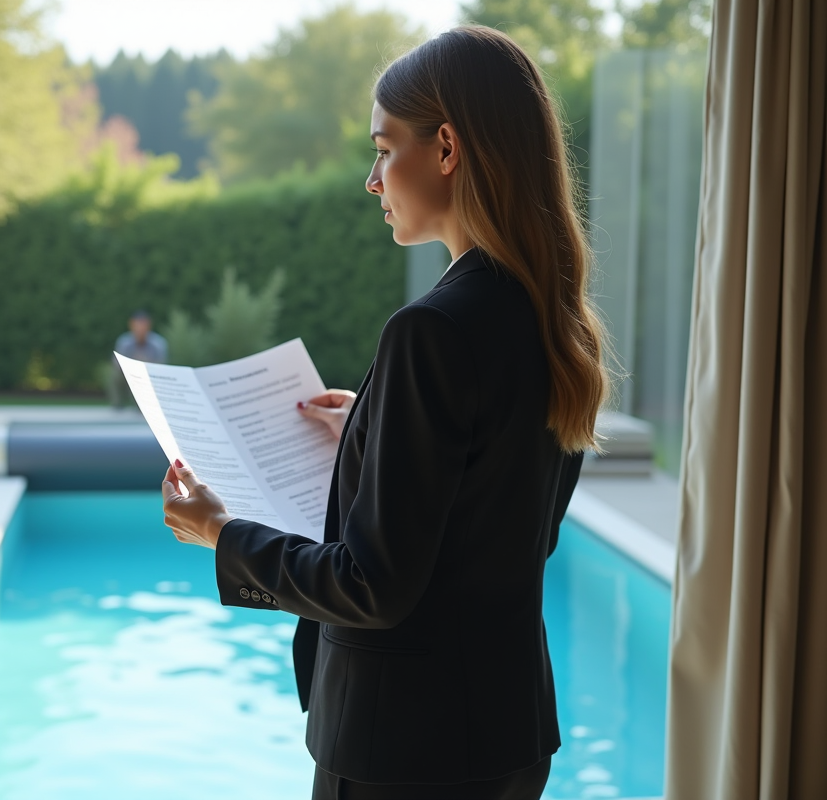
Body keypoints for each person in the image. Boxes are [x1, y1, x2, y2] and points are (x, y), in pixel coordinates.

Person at [158, 26, 609, 800]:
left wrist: (220, 532)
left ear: (446, 148)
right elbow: (509, 532)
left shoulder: (431, 330)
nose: (372, 180)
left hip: (399, 751)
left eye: (383, 148)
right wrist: (370, 429)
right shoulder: (552, 320)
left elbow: (371, 587)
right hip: (507, 734)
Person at [109, 310, 168, 408]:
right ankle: (118, 403)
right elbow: (116, 363)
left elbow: (161, 366)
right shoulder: (124, 342)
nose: (140, 328)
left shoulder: (158, 343)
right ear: (131, 325)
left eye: (143, 325)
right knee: (115, 375)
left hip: (149, 376)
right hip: (129, 374)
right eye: (138, 324)